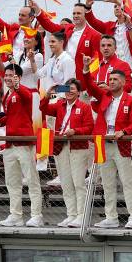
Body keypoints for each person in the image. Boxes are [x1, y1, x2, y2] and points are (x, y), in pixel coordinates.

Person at [80, 57, 132, 229]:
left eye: (115, 79)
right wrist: (86, 68)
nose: (111, 82)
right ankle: (111, 217)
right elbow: (90, 85)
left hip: (120, 145)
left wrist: (125, 132)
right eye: (110, 79)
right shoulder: (104, 96)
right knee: (107, 183)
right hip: (103, 143)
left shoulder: (130, 100)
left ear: (122, 82)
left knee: (127, 182)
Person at [0, 63, 43, 227]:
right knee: (12, 182)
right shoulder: (6, 95)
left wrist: (18, 86)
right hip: (9, 144)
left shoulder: (25, 92)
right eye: (6, 75)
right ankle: (15, 215)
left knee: (31, 180)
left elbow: (27, 98)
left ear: (19, 78)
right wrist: (0, 121)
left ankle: (37, 215)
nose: (8, 78)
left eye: (12, 76)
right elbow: (12, 116)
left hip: (24, 143)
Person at [40, 79, 94, 227]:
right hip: (61, 146)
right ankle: (71, 214)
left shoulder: (84, 107)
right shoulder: (59, 105)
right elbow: (43, 110)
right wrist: (47, 95)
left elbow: (89, 127)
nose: (70, 92)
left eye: (73, 89)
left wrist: (75, 131)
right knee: (66, 183)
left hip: (78, 147)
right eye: (67, 88)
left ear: (79, 92)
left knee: (78, 183)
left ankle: (81, 215)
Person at [31, 0, 101, 75]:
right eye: (74, 13)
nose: (75, 16)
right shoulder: (68, 28)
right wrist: (38, 11)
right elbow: (50, 26)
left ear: (86, 15)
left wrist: (90, 78)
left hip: (80, 77)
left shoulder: (94, 35)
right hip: (62, 74)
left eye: (79, 13)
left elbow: (97, 61)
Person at [84, 0, 132, 71]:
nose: (117, 8)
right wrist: (88, 7)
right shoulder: (109, 26)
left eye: (119, 6)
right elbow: (93, 22)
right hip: (114, 70)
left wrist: (117, 1)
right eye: (115, 6)